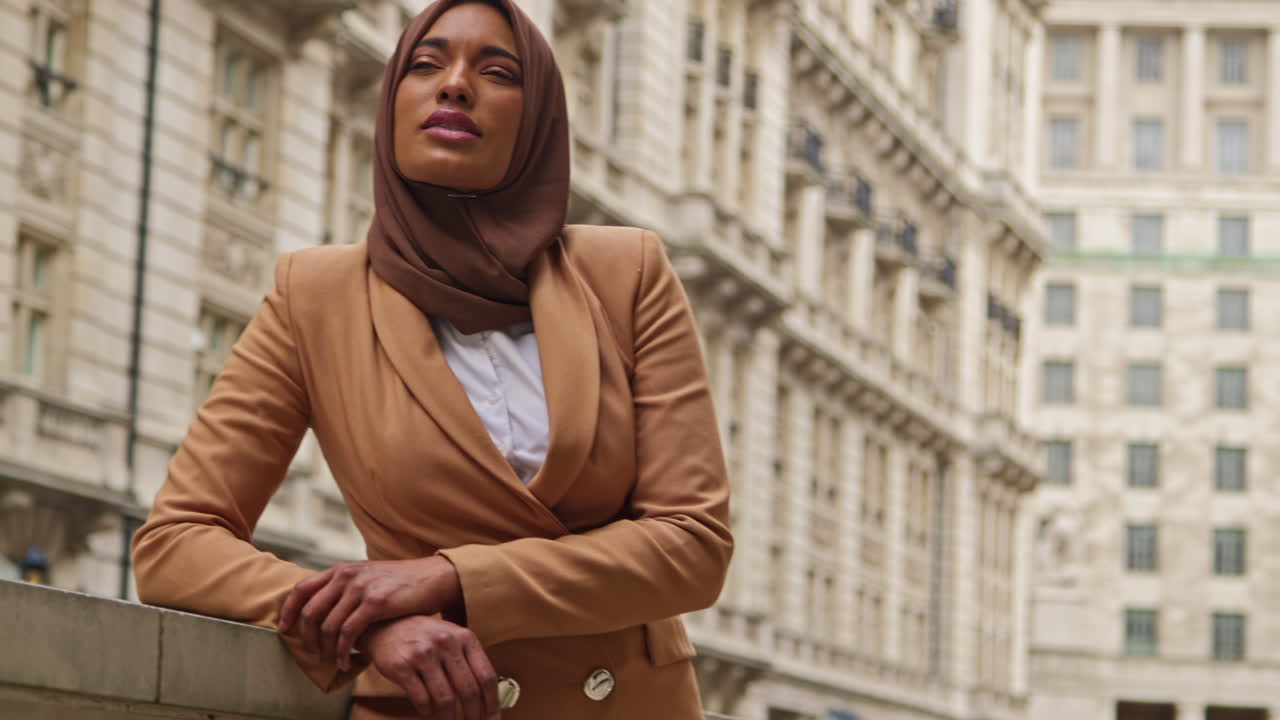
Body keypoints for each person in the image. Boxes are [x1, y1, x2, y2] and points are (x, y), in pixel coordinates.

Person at [130, 1, 734, 719]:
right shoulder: (316, 294)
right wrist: (366, 621)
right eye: (425, 63)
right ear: (391, 103)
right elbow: (175, 543)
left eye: (498, 72)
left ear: (538, 115)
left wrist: (447, 579)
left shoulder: (626, 272)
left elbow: (692, 546)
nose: (453, 85)